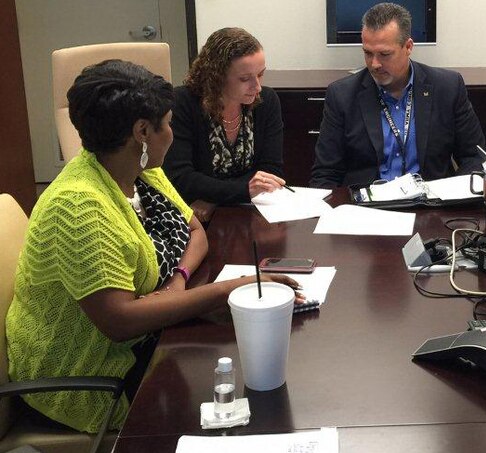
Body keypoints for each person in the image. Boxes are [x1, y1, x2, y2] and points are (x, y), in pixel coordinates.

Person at [6, 60, 302, 433]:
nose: (173, 134)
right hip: (93, 376)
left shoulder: (138, 169)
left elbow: (196, 231)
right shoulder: (79, 205)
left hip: (148, 341)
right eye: (168, 123)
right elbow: (120, 322)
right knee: (244, 408)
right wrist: (231, 287)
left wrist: (176, 281)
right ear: (142, 131)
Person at [309, 2, 485, 188]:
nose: (374, 64)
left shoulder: (448, 88)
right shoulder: (342, 95)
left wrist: (454, 198)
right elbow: (325, 174)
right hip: (367, 209)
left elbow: (474, 159)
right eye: (368, 53)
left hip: (431, 206)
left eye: (384, 54)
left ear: (408, 47)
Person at [163, 27, 285, 222]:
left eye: (261, 74)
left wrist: (215, 199)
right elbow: (180, 178)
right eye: (245, 79)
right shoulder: (183, 103)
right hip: (194, 218)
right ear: (216, 77)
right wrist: (243, 189)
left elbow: (270, 172)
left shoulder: (266, 101)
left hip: (249, 212)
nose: (257, 86)